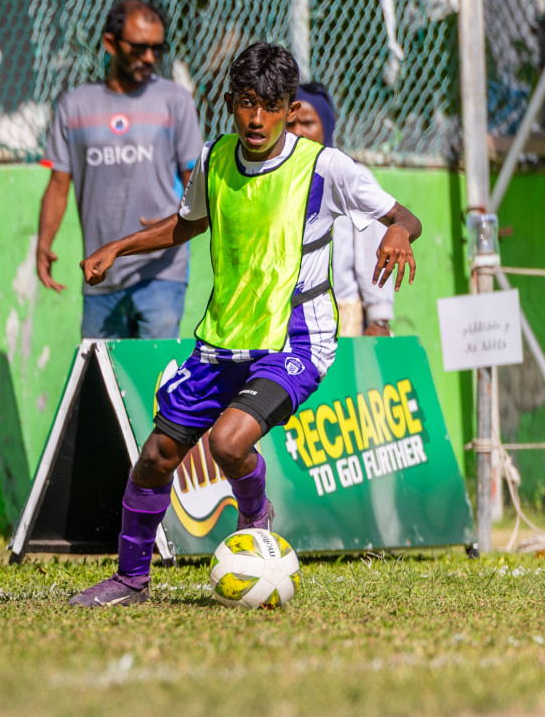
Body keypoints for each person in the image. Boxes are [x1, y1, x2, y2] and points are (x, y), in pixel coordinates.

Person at [68, 42, 421, 607]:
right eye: (247, 103)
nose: (257, 119)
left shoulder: (324, 167)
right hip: (224, 337)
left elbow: (403, 215)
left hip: (296, 340)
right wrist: (118, 247)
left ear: (289, 109)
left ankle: (256, 517)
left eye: (272, 106)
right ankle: (131, 580)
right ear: (230, 101)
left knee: (229, 444)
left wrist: (398, 231)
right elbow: (187, 224)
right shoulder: (215, 158)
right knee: (157, 456)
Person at [37, 0, 203, 339]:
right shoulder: (75, 106)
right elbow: (58, 185)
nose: (150, 58)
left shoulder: (176, 101)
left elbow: (196, 182)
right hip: (100, 274)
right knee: (101, 370)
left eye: (157, 48)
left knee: (153, 370)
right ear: (110, 44)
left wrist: (175, 217)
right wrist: (43, 243)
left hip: (161, 271)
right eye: (139, 48)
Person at [288, 82, 394, 336]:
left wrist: (378, 318)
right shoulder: (278, 179)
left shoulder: (351, 176)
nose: (298, 132)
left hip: (342, 317)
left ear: (326, 126)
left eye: (307, 123)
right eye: (290, 124)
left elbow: (371, 251)